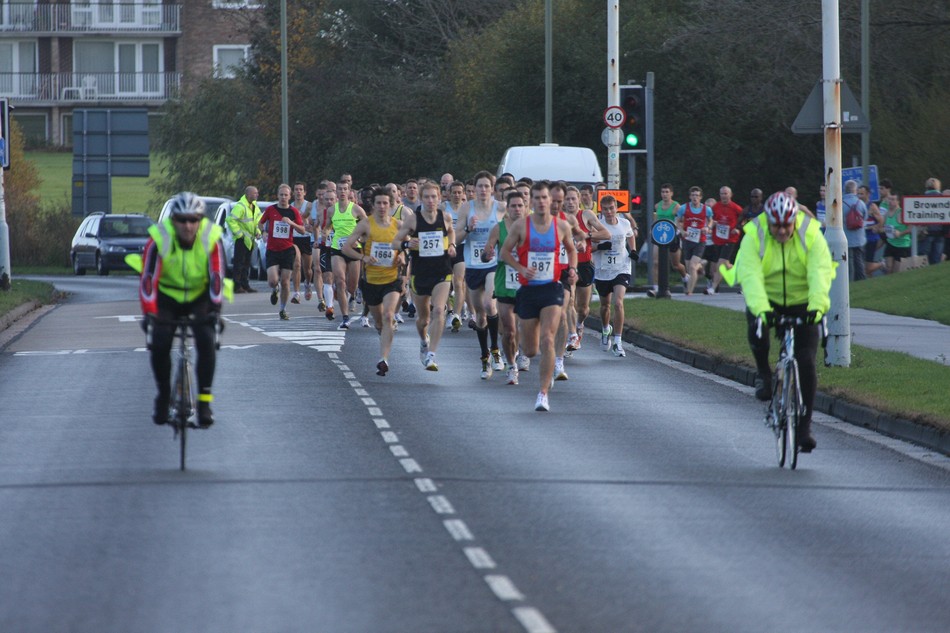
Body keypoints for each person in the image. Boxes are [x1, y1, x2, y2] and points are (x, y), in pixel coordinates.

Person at [735, 191, 833, 453]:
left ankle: (804, 427)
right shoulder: (754, 233)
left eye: (786, 225)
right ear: (768, 220)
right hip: (767, 297)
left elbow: (820, 272)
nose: (781, 230)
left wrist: (816, 307)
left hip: (803, 300)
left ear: (795, 220)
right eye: (776, 225)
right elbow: (750, 275)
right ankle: (765, 377)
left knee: (806, 360)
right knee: (757, 327)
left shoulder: (810, 233)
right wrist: (761, 308)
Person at [140, 192, 226, 428]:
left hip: (199, 296)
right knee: (159, 341)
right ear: (173, 220)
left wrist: (215, 310)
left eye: (193, 220)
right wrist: (149, 313)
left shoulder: (211, 237)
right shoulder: (159, 238)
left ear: (199, 220)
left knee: (207, 339)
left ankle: (205, 401)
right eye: (182, 220)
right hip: (167, 297)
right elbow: (147, 279)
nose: (188, 226)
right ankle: (163, 396)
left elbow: (217, 277)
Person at [500, 181, 578, 412]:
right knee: (531, 349)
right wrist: (520, 268)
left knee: (548, 337)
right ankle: (532, 358)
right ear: (530, 202)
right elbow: (504, 252)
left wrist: (572, 270)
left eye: (546, 198)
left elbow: (572, 250)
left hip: (551, 288)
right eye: (538, 198)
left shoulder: (561, 226)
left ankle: (542, 393)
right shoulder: (521, 227)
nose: (543, 202)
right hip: (528, 290)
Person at [392, 181, 457, 371]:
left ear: (439, 198)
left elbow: (451, 231)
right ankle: (423, 340)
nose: (430, 200)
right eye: (426, 197)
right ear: (422, 198)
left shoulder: (445, 217)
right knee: (424, 320)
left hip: (442, 272)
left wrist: (452, 245)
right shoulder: (414, 219)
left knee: (439, 310)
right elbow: (394, 242)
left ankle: (431, 355)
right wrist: (406, 244)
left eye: (434, 197)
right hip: (420, 274)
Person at [343, 187, 404, 376]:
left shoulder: (398, 225)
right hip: (371, 281)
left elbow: (406, 247)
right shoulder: (366, 225)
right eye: (379, 203)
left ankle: (383, 359)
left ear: (391, 203)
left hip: (392, 280)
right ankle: (382, 332)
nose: (382, 206)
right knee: (379, 322)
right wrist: (363, 258)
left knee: (388, 315)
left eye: (386, 203)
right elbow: (346, 247)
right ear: (373, 205)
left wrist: (402, 256)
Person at [456, 170, 505, 379]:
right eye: (479, 186)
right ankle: (485, 357)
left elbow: (510, 231)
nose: (483, 190)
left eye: (487, 186)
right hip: (473, 266)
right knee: (479, 315)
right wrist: (468, 228)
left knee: (489, 304)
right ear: (474, 189)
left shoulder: (500, 208)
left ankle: (495, 349)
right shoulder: (467, 208)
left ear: (492, 189)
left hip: (493, 264)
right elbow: (456, 238)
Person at [482, 189, 528, 385]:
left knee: (522, 329)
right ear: (507, 208)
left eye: (520, 205)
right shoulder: (498, 228)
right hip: (504, 284)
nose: (517, 209)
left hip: (527, 285)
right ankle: (511, 366)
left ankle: (520, 352)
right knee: (509, 330)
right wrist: (488, 254)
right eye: (513, 206)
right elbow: (485, 254)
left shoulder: (532, 228)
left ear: (525, 207)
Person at [592, 195, 637, 357]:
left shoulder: (624, 223)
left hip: (622, 267)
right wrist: (599, 246)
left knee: (618, 303)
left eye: (611, 208)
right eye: (605, 209)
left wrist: (632, 250)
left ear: (616, 208)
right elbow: (588, 247)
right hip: (603, 270)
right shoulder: (598, 226)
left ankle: (618, 342)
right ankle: (606, 329)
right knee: (605, 306)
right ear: (601, 210)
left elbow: (630, 235)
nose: (609, 212)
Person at [260, 184, 306, 320]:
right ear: (277, 196)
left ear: (289, 196)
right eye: (281, 195)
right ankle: (275, 289)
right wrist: (263, 232)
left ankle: (282, 309)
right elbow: (260, 223)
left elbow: (302, 230)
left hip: (287, 250)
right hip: (272, 250)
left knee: (286, 281)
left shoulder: (293, 212)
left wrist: (291, 223)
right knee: (272, 281)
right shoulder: (270, 209)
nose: (283, 197)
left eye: (286, 195)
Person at [329, 180, 368, 329]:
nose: (342, 192)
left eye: (345, 189)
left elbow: (367, 227)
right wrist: (325, 233)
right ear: (336, 192)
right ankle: (345, 318)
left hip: (353, 249)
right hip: (337, 249)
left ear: (349, 191)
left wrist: (360, 238)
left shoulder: (357, 209)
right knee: (340, 281)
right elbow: (327, 226)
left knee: (352, 286)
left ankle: (355, 293)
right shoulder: (332, 210)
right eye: (339, 189)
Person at [647, 183, 686, 297]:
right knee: (655, 262)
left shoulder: (677, 206)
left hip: (673, 236)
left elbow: (681, 221)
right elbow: (655, 219)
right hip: (659, 236)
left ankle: (685, 277)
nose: (664, 194)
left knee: (676, 264)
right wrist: (652, 229)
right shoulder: (657, 205)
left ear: (671, 193)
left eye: (667, 192)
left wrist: (681, 230)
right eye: (663, 192)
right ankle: (656, 288)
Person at [675, 186, 713, 295]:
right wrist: (682, 231)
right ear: (690, 196)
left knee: (692, 266)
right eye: (693, 195)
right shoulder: (683, 208)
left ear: (701, 197)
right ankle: (701, 264)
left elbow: (710, 221)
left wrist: (708, 227)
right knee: (689, 268)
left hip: (700, 240)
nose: (694, 197)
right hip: (687, 240)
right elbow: (677, 221)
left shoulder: (707, 209)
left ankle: (689, 291)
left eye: (697, 195)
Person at [706, 186, 744, 294]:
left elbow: (744, 219)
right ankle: (743, 276)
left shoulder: (736, 207)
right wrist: (712, 224)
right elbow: (711, 219)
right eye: (722, 194)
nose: (723, 196)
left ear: (730, 195)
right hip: (718, 239)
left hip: (730, 239)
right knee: (726, 265)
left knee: (721, 263)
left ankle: (713, 288)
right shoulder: (716, 207)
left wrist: (737, 228)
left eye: (726, 193)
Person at [226, 185, 262, 293]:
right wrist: (239, 234)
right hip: (242, 239)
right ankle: (236, 286)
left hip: (250, 239)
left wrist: (258, 232)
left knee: (247, 263)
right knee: (239, 263)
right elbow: (231, 220)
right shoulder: (241, 206)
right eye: (254, 193)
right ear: (248, 194)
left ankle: (245, 285)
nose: (257, 195)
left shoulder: (254, 205)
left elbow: (257, 221)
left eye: (257, 193)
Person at [290, 181, 316, 303]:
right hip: (294, 239)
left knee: (308, 269)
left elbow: (315, 222)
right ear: (293, 192)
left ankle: (307, 283)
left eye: (301, 189)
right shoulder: (289, 207)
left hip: (306, 238)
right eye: (296, 189)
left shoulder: (310, 206)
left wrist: (312, 227)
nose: (298, 191)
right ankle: (296, 293)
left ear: (304, 192)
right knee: (296, 265)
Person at [842, 179, 869, 281]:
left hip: (846, 237)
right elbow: (865, 217)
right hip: (859, 237)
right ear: (855, 190)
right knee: (859, 260)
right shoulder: (860, 203)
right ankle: (861, 279)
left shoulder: (841, 203)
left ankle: (849, 280)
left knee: (848, 260)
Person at [858, 184, 886, 276]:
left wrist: (876, 227)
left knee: (868, 266)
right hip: (861, 238)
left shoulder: (872, 206)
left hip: (871, 238)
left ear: (868, 194)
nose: (860, 196)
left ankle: (882, 264)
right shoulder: (857, 206)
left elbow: (881, 221)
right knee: (863, 265)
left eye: (862, 194)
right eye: (858, 194)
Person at [883, 191, 912, 274]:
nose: (890, 201)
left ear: (898, 201)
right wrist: (878, 228)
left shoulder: (902, 213)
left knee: (897, 271)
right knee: (888, 269)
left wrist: (900, 233)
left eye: (893, 199)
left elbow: (911, 228)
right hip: (890, 243)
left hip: (902, 245)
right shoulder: (886, 213)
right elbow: (882, 227)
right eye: (889, 199)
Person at [919, 177, 945, 265]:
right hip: (940, 232)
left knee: (923, 259)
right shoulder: (944, 199)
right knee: (936, 259)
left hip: (927, 232)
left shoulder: (921, 200)